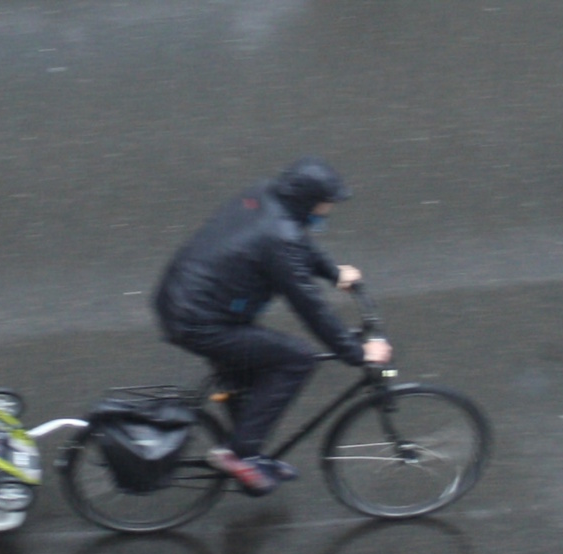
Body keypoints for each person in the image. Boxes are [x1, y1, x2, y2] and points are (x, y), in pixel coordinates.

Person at [153, 157, 393, 496]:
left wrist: (333, 271)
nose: (327, 209)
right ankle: (238, 455)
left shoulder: (266, 196)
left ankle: (247, 448)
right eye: (325, 203)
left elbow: (298, 242)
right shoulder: (279, 239)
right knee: (297, 359)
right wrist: (356, 353)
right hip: (199, 319)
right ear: (308, 200)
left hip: (185, 298)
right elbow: (310, 306)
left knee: (251, 372)